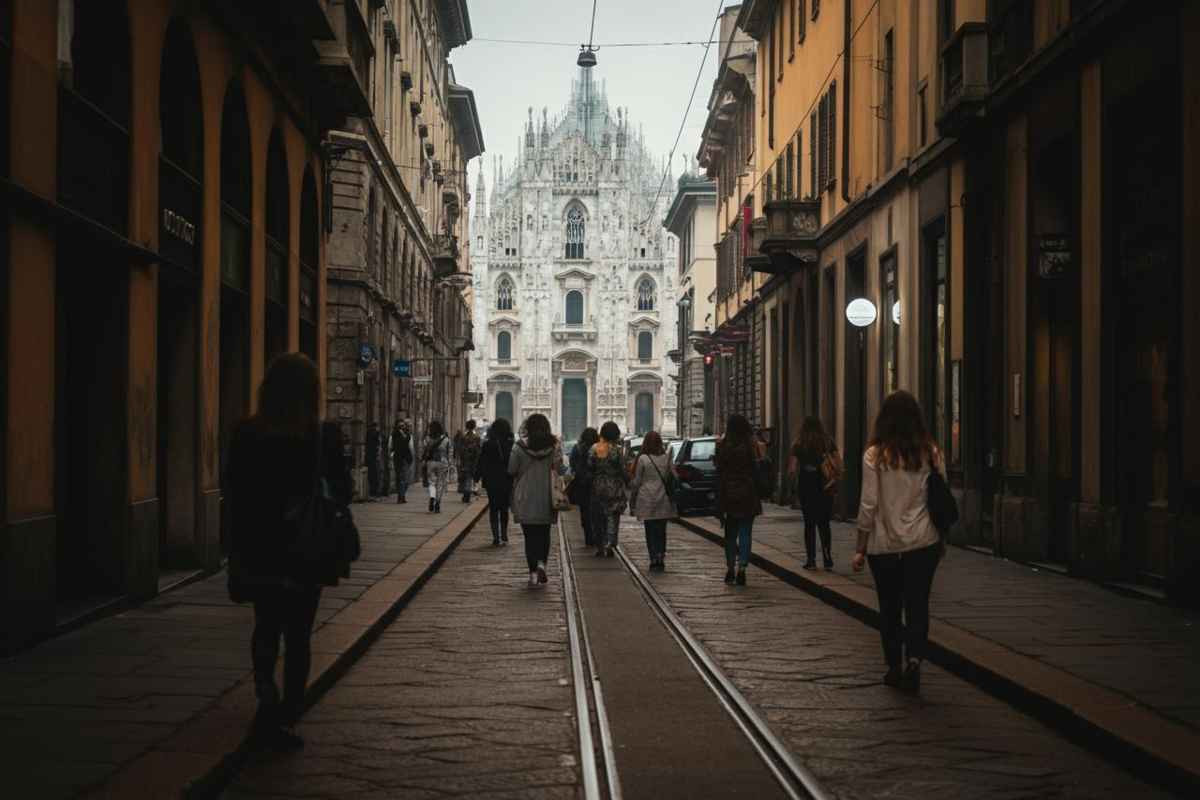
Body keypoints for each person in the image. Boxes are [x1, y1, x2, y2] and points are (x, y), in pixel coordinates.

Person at [226, 353, 352, 750]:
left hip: (260, 546)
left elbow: (234, 492)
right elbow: (344, 492)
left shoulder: (246, 433)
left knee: (265, 626)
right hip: (303, 548)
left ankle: (267, 698)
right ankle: (287, 715)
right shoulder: (321, 436)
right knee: (298, 634)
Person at [852, 390, 945, 694]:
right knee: (918, 604)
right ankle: (915, 659)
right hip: (923, 541)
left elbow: (868, 504)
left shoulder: (874, 455)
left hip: (885, 545)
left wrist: (860, 546)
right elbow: (939, 495)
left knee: (889, 607)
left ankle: (893, 666)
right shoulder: (930, 451)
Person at [508, 413, 564, 586]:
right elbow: (560, 468)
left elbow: (511, 470)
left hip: (525, 496)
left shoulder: (518, 447)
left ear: (528, 428)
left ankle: (532, 573)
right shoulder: (554, 447)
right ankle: (542, 564)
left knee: (529, 537)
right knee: (544, 534)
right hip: (546, 496)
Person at [715, 414, 764, 585]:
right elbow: (757, 469)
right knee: (745, 532)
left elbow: (719, 469)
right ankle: (742, 567)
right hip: (747, 492)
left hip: (728, 493)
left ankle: (730, 569)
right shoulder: (751, 446)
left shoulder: (723, 446)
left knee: (730, 534)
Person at [788, 416, 839, 570]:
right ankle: (828, 558)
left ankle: (811, 560)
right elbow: (838, 462)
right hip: (825, 486)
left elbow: (791, 469)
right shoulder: (827, 441)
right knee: (824, 523)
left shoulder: (799, 443)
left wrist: (793, 484)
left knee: (809, 524)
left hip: (806, 486)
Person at [630, 430, 676, 571]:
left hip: (646, 498)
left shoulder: (643, 459)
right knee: (661, 530)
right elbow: (673, 476)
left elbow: (637, 482)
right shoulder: (666, 458)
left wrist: (632, 496)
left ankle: (653, 558)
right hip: (662, 497)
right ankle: (661, 556)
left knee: (650, 530)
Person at [588, 421, 628, 558]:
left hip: (598, 487)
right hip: (614, 487)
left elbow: (590, 466)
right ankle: (610, 543)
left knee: (599, 517)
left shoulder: (594, 448)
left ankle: (600, 545)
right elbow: (622, 469)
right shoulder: (617, 450)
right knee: (612, 516)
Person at [475, 417, 515, 545]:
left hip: (492, 481)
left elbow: (482, 461)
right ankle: (504, 535)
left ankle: (496, 537)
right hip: (506, 480)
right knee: (504, 508)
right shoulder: (511, 444)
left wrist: (477, 476)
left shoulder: (488, 444)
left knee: (493, 508)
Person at [568, 427, 600, 546]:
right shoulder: (598, 448)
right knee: (596, 511)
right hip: (595, 483)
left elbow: (571, 462)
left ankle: (588, 537)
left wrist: (578, 470)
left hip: (581, 483)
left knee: (585, 511)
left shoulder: (577, 447)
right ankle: (597, 536)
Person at [422, 420, 451, 513]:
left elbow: (424, 449)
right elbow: (450, 452)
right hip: (442, 463)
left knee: (432, 483)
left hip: (430, 463)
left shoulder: (428, 439)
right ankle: (437, 503)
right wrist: (450, 463)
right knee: (440, 484)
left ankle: (432, 497)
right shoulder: (446, 439)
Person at [457, 420, 482, 503]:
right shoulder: (477, 437)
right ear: (474, 426)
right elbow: (479, 451)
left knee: (466, 477)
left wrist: (460, 459)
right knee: (470, 477)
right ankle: (467, 493)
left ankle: (466, 493)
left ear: (466, 426)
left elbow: (460, 450)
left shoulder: (463, 437)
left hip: (465, 460)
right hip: (473, 461)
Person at [391, 419, 413, 503]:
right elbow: (396, 445)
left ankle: (402, 495)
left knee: (406, 480)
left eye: (403, 426)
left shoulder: (407, 435)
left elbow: (407, 440)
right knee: (401, 479)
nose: (402, 427)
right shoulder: (395, 435)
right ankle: (401, 497)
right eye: (400, 426)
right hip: (399, 459)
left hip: (406, 459)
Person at [365, 421, 381, 498]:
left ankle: (373, 492)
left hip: (370, 457)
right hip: (374, 457)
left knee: (372, 476)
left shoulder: (369, 434)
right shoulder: (376, 434)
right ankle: (374, 493)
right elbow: (378, 446)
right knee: (375, 476)